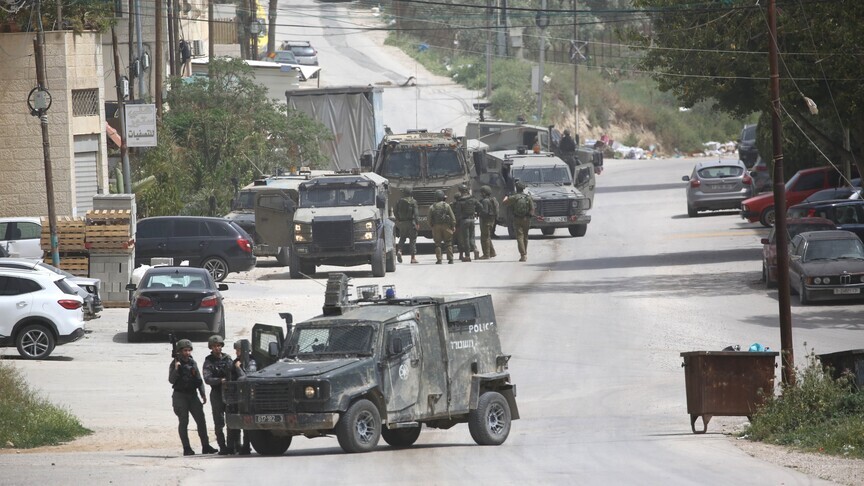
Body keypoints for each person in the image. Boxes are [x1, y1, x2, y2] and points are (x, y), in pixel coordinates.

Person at [169, 339, 218, 456]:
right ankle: (186, 448)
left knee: (201, 420)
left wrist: (202, 393)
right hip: (180, 395)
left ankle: (205, 446)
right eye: (185, 351)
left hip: (192, 395)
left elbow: (198, 379)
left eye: (189, 350)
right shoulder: (174, 363)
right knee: (183, 421)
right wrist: (176, 369)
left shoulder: (192, 362)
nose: (187, 353)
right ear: (180, 351)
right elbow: (171, 380)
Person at [202, 335, 234, 455]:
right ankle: (222, 446)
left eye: (219, 346)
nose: (217, 348)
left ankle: (232, 446)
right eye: (214, 346)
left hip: (229, 392)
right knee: (219, 422)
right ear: (211, 347)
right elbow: (207, 379)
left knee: (231, 420)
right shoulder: (208, 361)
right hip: (216, 393)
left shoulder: (228, 359)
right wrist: (220, 380)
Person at [226, 341, 251, 455]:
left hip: (246, 397)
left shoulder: (251, 362)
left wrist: (238, 368)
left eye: (239, 350)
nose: (237, 352)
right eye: (236, 350)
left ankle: (246, 445)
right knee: (234, 421)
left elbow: (246, 378)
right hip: (235, 396)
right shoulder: (235, 362)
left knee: (246, 421)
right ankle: (234, 446)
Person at [503, 181, 535, 262]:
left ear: (516, 188)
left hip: (517, 219)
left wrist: (506, 196)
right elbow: (532, 208)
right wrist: (530, 215)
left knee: (520, 237)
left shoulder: (514, 197)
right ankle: (525, 253)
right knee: (525, 237)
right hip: (526, 219)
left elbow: (504, 202)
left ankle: (523, 255)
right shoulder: (528, 197)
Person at [452, 184, 480, 262]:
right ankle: (475, 249)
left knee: (466, 239)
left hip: (464, 221)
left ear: (460, 191)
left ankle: (467, 256)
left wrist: (456, 223)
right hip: (472, 220)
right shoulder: (473, 199)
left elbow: (458, 214)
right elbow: (480, 206)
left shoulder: (460, 201)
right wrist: (477, 213)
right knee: (472, 237)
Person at [429, 190, 456, 264]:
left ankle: (439, 259)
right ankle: (450, 259)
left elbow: (429, 219)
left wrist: (432, 226)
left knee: (438, 244)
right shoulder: (447, 205)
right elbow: (452, 217)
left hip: (436, 226)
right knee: (448, 242)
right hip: (446, 226)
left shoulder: (432, 207)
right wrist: (453, 225)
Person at [393, 187, 419, 264]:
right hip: (411, 222)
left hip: (402, 223)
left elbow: (395, 211)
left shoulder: (399, 201)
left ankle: (399, 251)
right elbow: (416, 214)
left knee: (402, 238)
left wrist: (398, 219)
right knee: (412, 240)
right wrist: (417, 223)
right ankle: (413, 258)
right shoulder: (413, 201)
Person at [477, 185, 498, 260]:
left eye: (482, 192)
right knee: (487, 237)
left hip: (486, 221)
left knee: (484, 238)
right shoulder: (492, 199)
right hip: (491, 220)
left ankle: (486, 254)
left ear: (484, 193)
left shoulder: (485, 201)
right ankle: (492, 252)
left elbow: (485, 212)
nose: (481, 194)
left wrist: (478, 213)